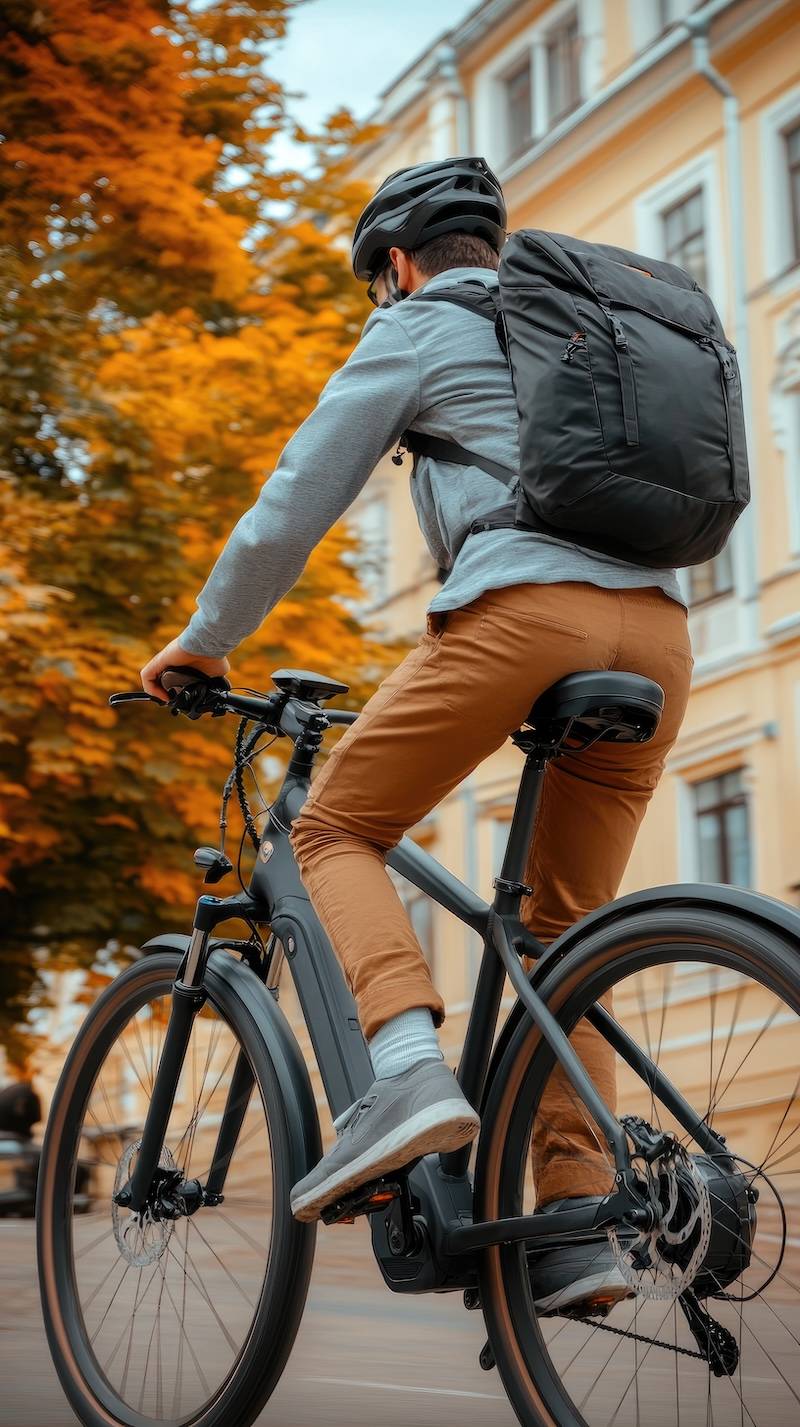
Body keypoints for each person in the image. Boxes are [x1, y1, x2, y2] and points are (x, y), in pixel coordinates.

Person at [141, 157, 693, 1312]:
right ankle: (573, 1225)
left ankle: (400, 1068)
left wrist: (201, 641)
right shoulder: (577, 333)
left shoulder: (415, 326)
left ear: (395, 264)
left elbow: (290, 503)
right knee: (559, 933)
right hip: (658, 632)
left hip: (523, 614)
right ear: (488, 244)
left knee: (334, 823)